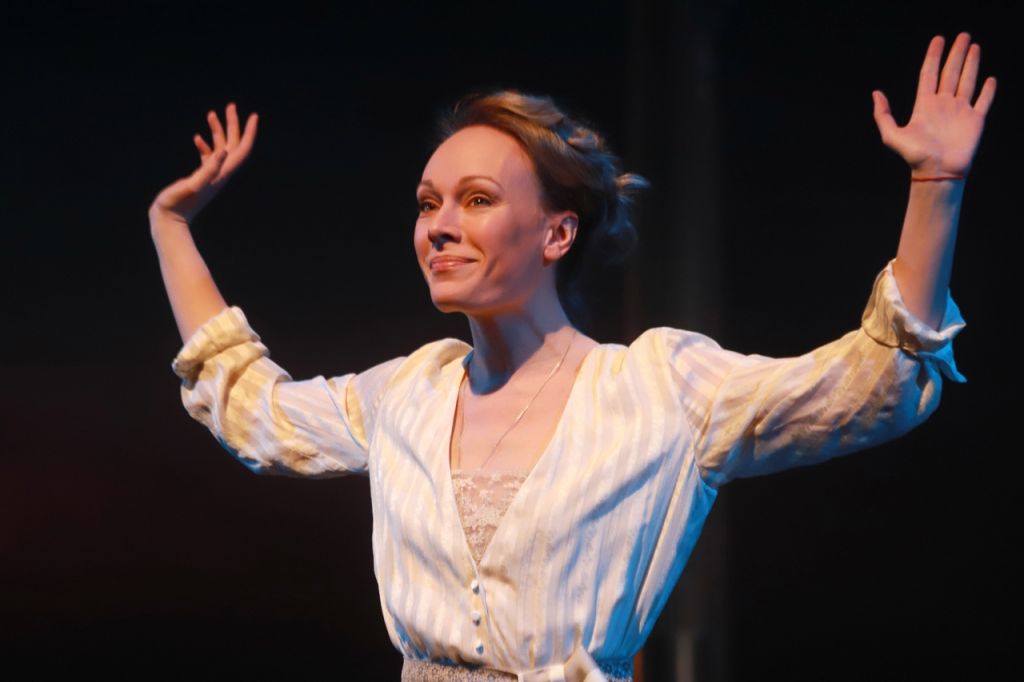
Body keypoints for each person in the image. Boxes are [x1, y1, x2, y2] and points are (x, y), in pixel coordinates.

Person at [150, 32, 995, 682]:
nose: (439, 226)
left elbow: (876, 386)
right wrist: (172, 226)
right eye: (428, 203)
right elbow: (255, 411)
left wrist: (935, 188)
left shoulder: (659, 388)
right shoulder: (408, 391)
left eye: (476, 200)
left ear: (557, 233)